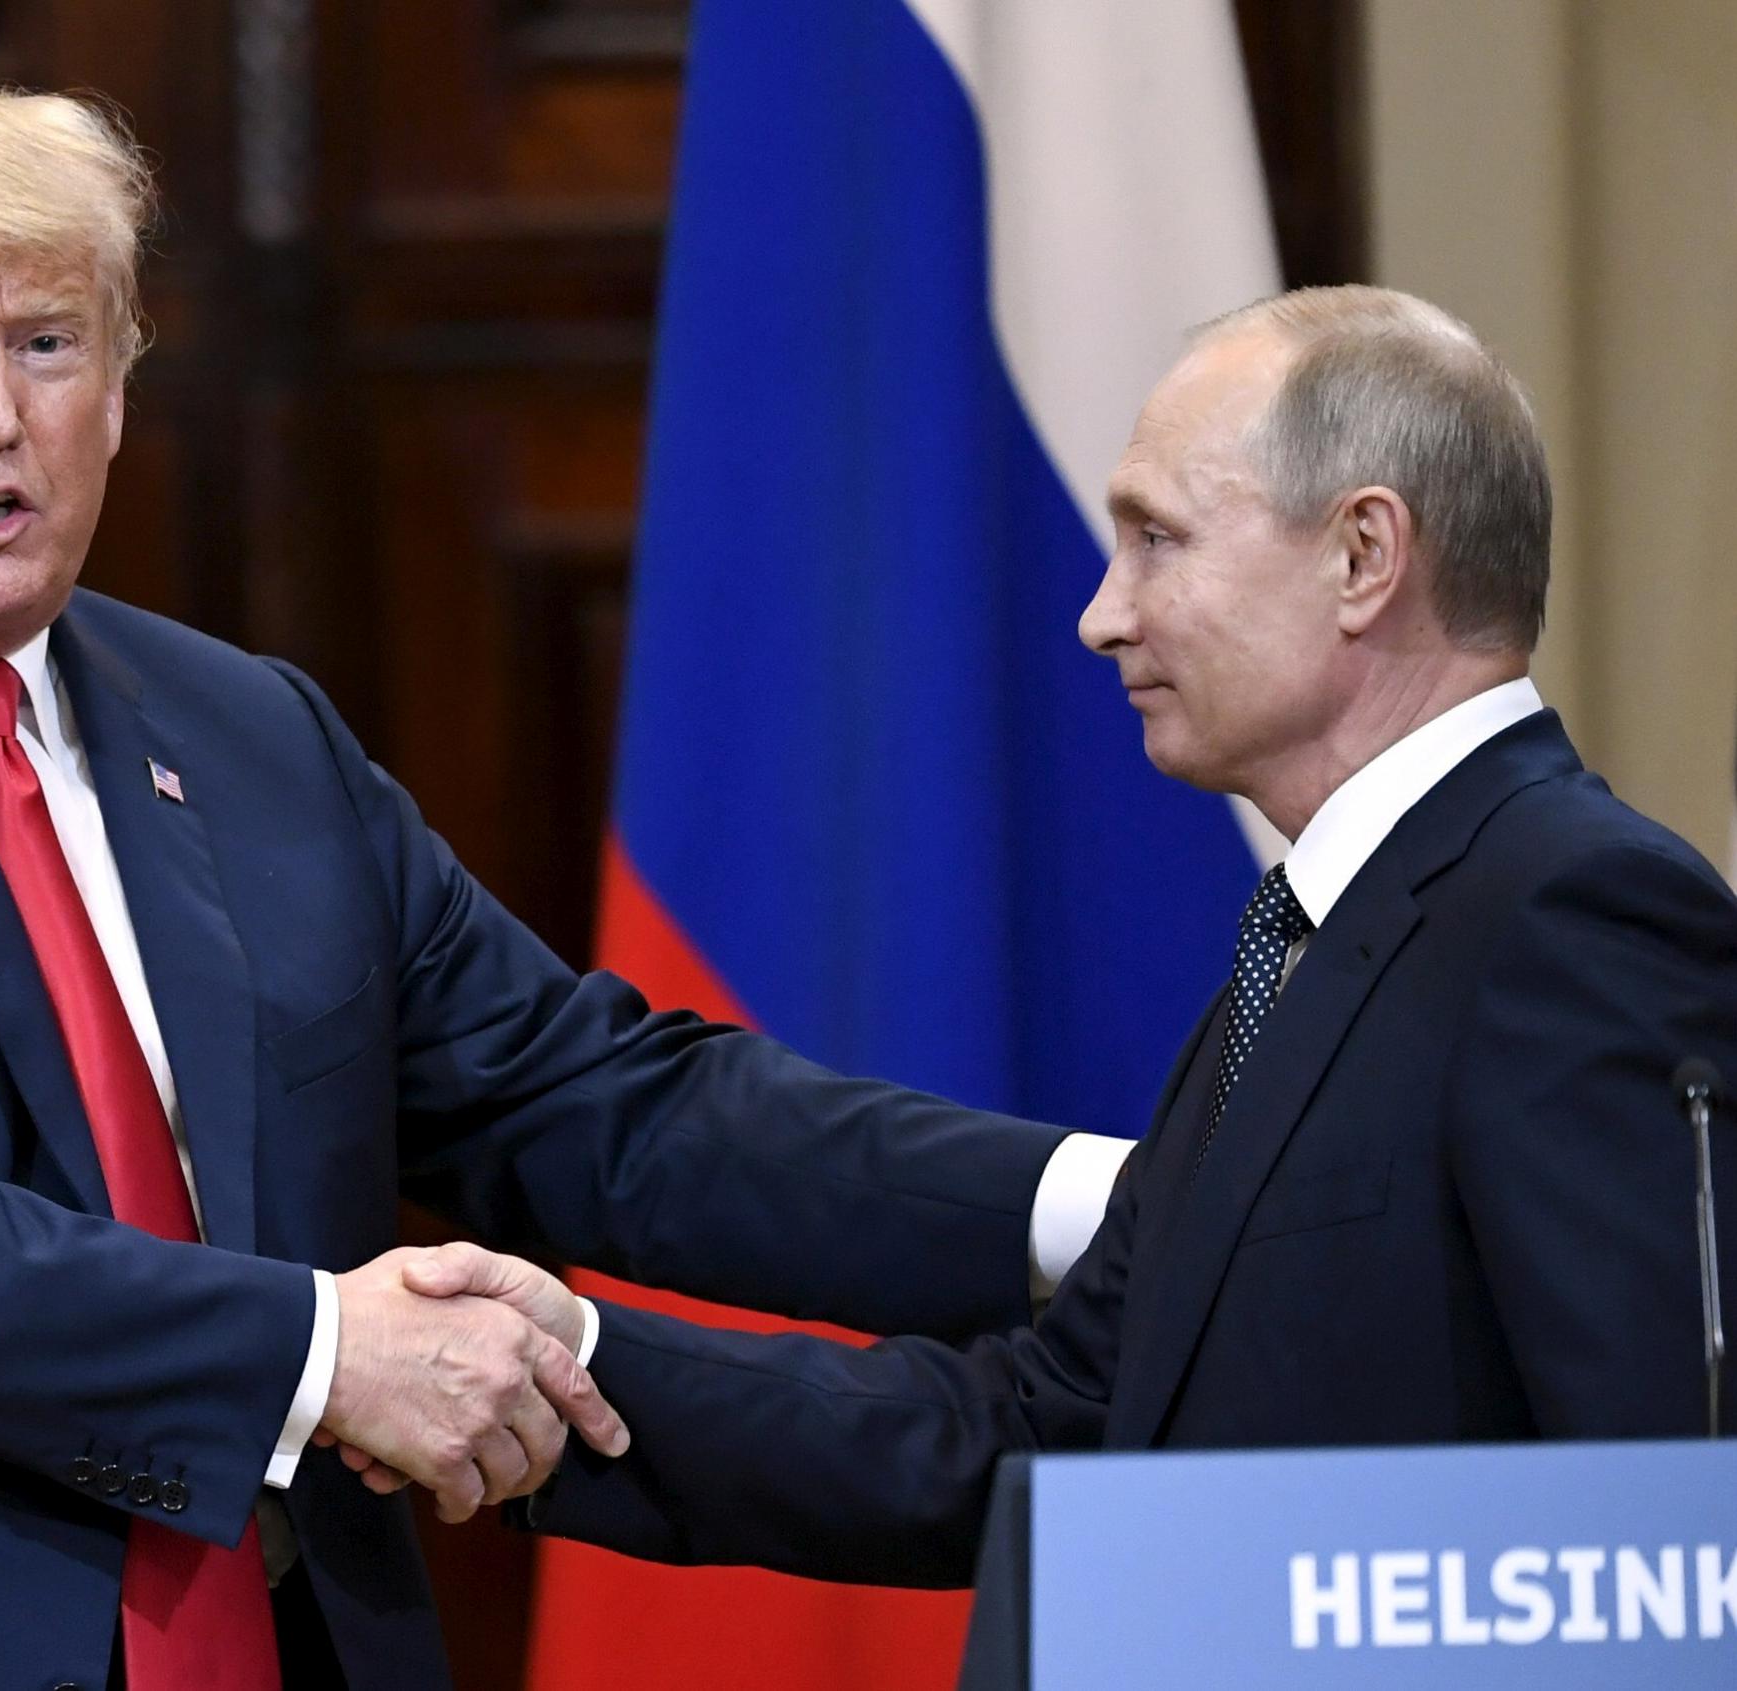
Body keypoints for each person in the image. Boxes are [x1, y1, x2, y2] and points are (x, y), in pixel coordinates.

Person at [0, 89, 1119, 1690]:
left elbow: (597, 1100)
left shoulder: (246, 733)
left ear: (123, 383)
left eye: (49, 346)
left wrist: (1097, 1207)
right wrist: (322, 1354)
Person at [432, 285, 1737, 1586]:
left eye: (1158, 540)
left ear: (1362, 558)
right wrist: (568, 1373)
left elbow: (1665, 1536)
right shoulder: (1315, 944)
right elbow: (1053, 1425)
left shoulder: (1572, 916)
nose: (1103, 614)